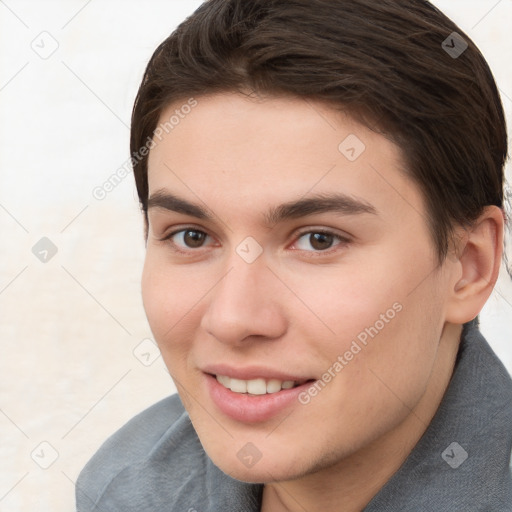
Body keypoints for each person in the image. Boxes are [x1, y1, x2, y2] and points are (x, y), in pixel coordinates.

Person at [75, 0, 512, 510]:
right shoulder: (127, 486)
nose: (234, 319)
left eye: (318, 240)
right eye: (192, 236)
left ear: (469, 266)